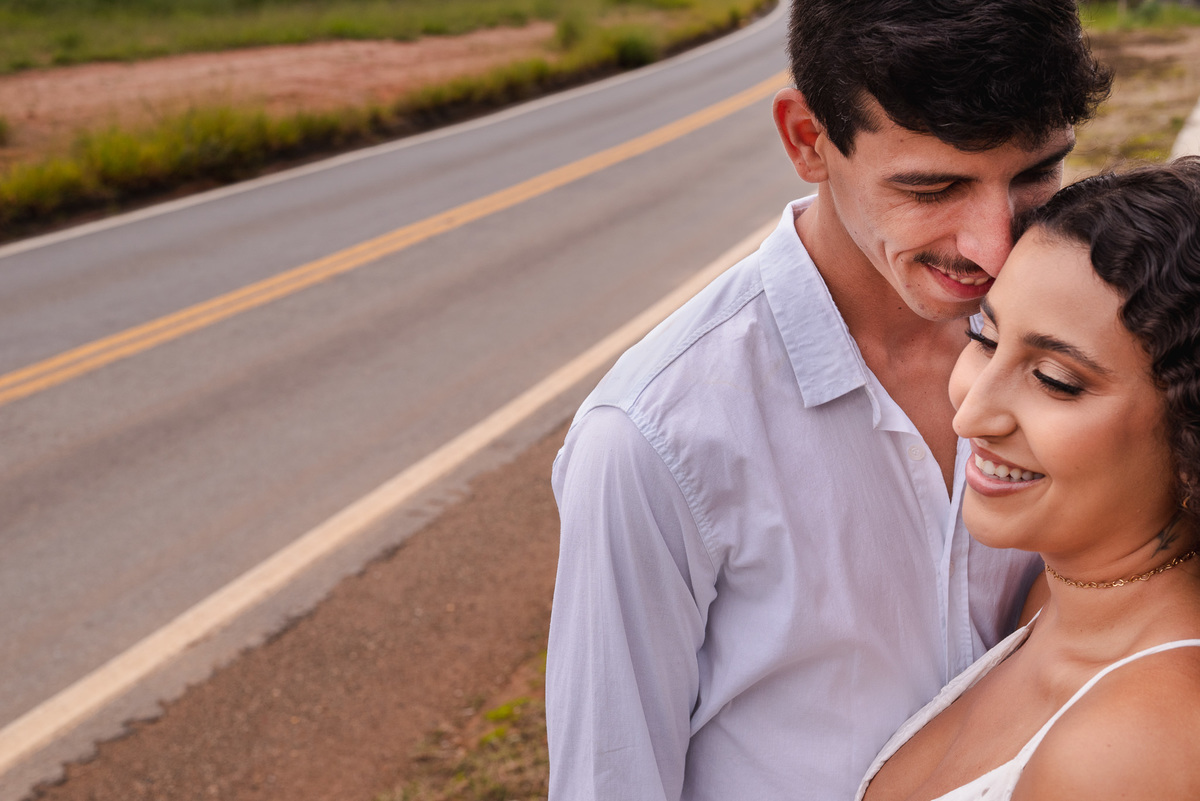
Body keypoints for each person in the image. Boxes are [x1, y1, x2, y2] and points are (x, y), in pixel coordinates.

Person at [546, 1, 1111, 799]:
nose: (992, 245)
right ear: (808, 140)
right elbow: (610, 777)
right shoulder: (652, 434)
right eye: (932, 186)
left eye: (1034, 174)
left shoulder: (1101, 351)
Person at [857, 156, 1200, 801]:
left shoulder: (1136, 747)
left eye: (1055, 380)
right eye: (985, 338)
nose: (972, 413)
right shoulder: (1051, 598)